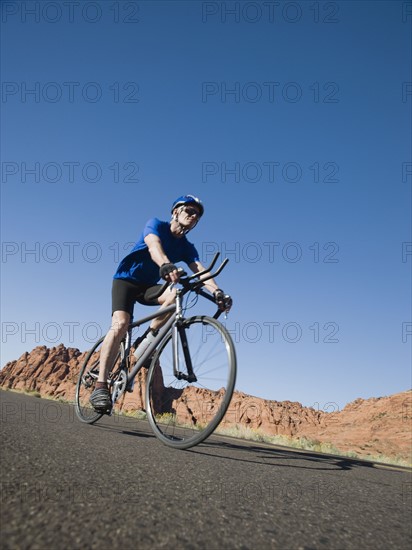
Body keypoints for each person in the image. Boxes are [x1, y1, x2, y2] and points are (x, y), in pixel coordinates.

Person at [89, 195, 232, 413]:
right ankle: (100, 386)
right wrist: (165, 264)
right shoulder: (155, 224)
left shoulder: (187, 247)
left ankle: (144, 342)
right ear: (176, 211)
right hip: (126, 281)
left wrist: (218, 292)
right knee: (121, 324)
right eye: (189, 211)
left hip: (148, 286)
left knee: (173, 297)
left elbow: (200, 270)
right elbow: (153, 245)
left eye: (197, 215)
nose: (193, 217)